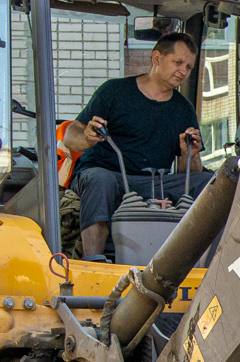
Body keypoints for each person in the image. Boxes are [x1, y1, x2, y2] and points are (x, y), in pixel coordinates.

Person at [63, 32, 210, 259]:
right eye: (178, 62)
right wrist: (87, 138)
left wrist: (189, 154)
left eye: (189, 67)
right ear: (157, 58)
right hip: (108, 174)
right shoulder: (114, 91)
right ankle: (93, 262)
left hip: (154, 183)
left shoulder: (184, 109)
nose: (183, 71)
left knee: (208, 183)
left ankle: (201, 263)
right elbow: (70, 134)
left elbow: (187, 175)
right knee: (100, 181)